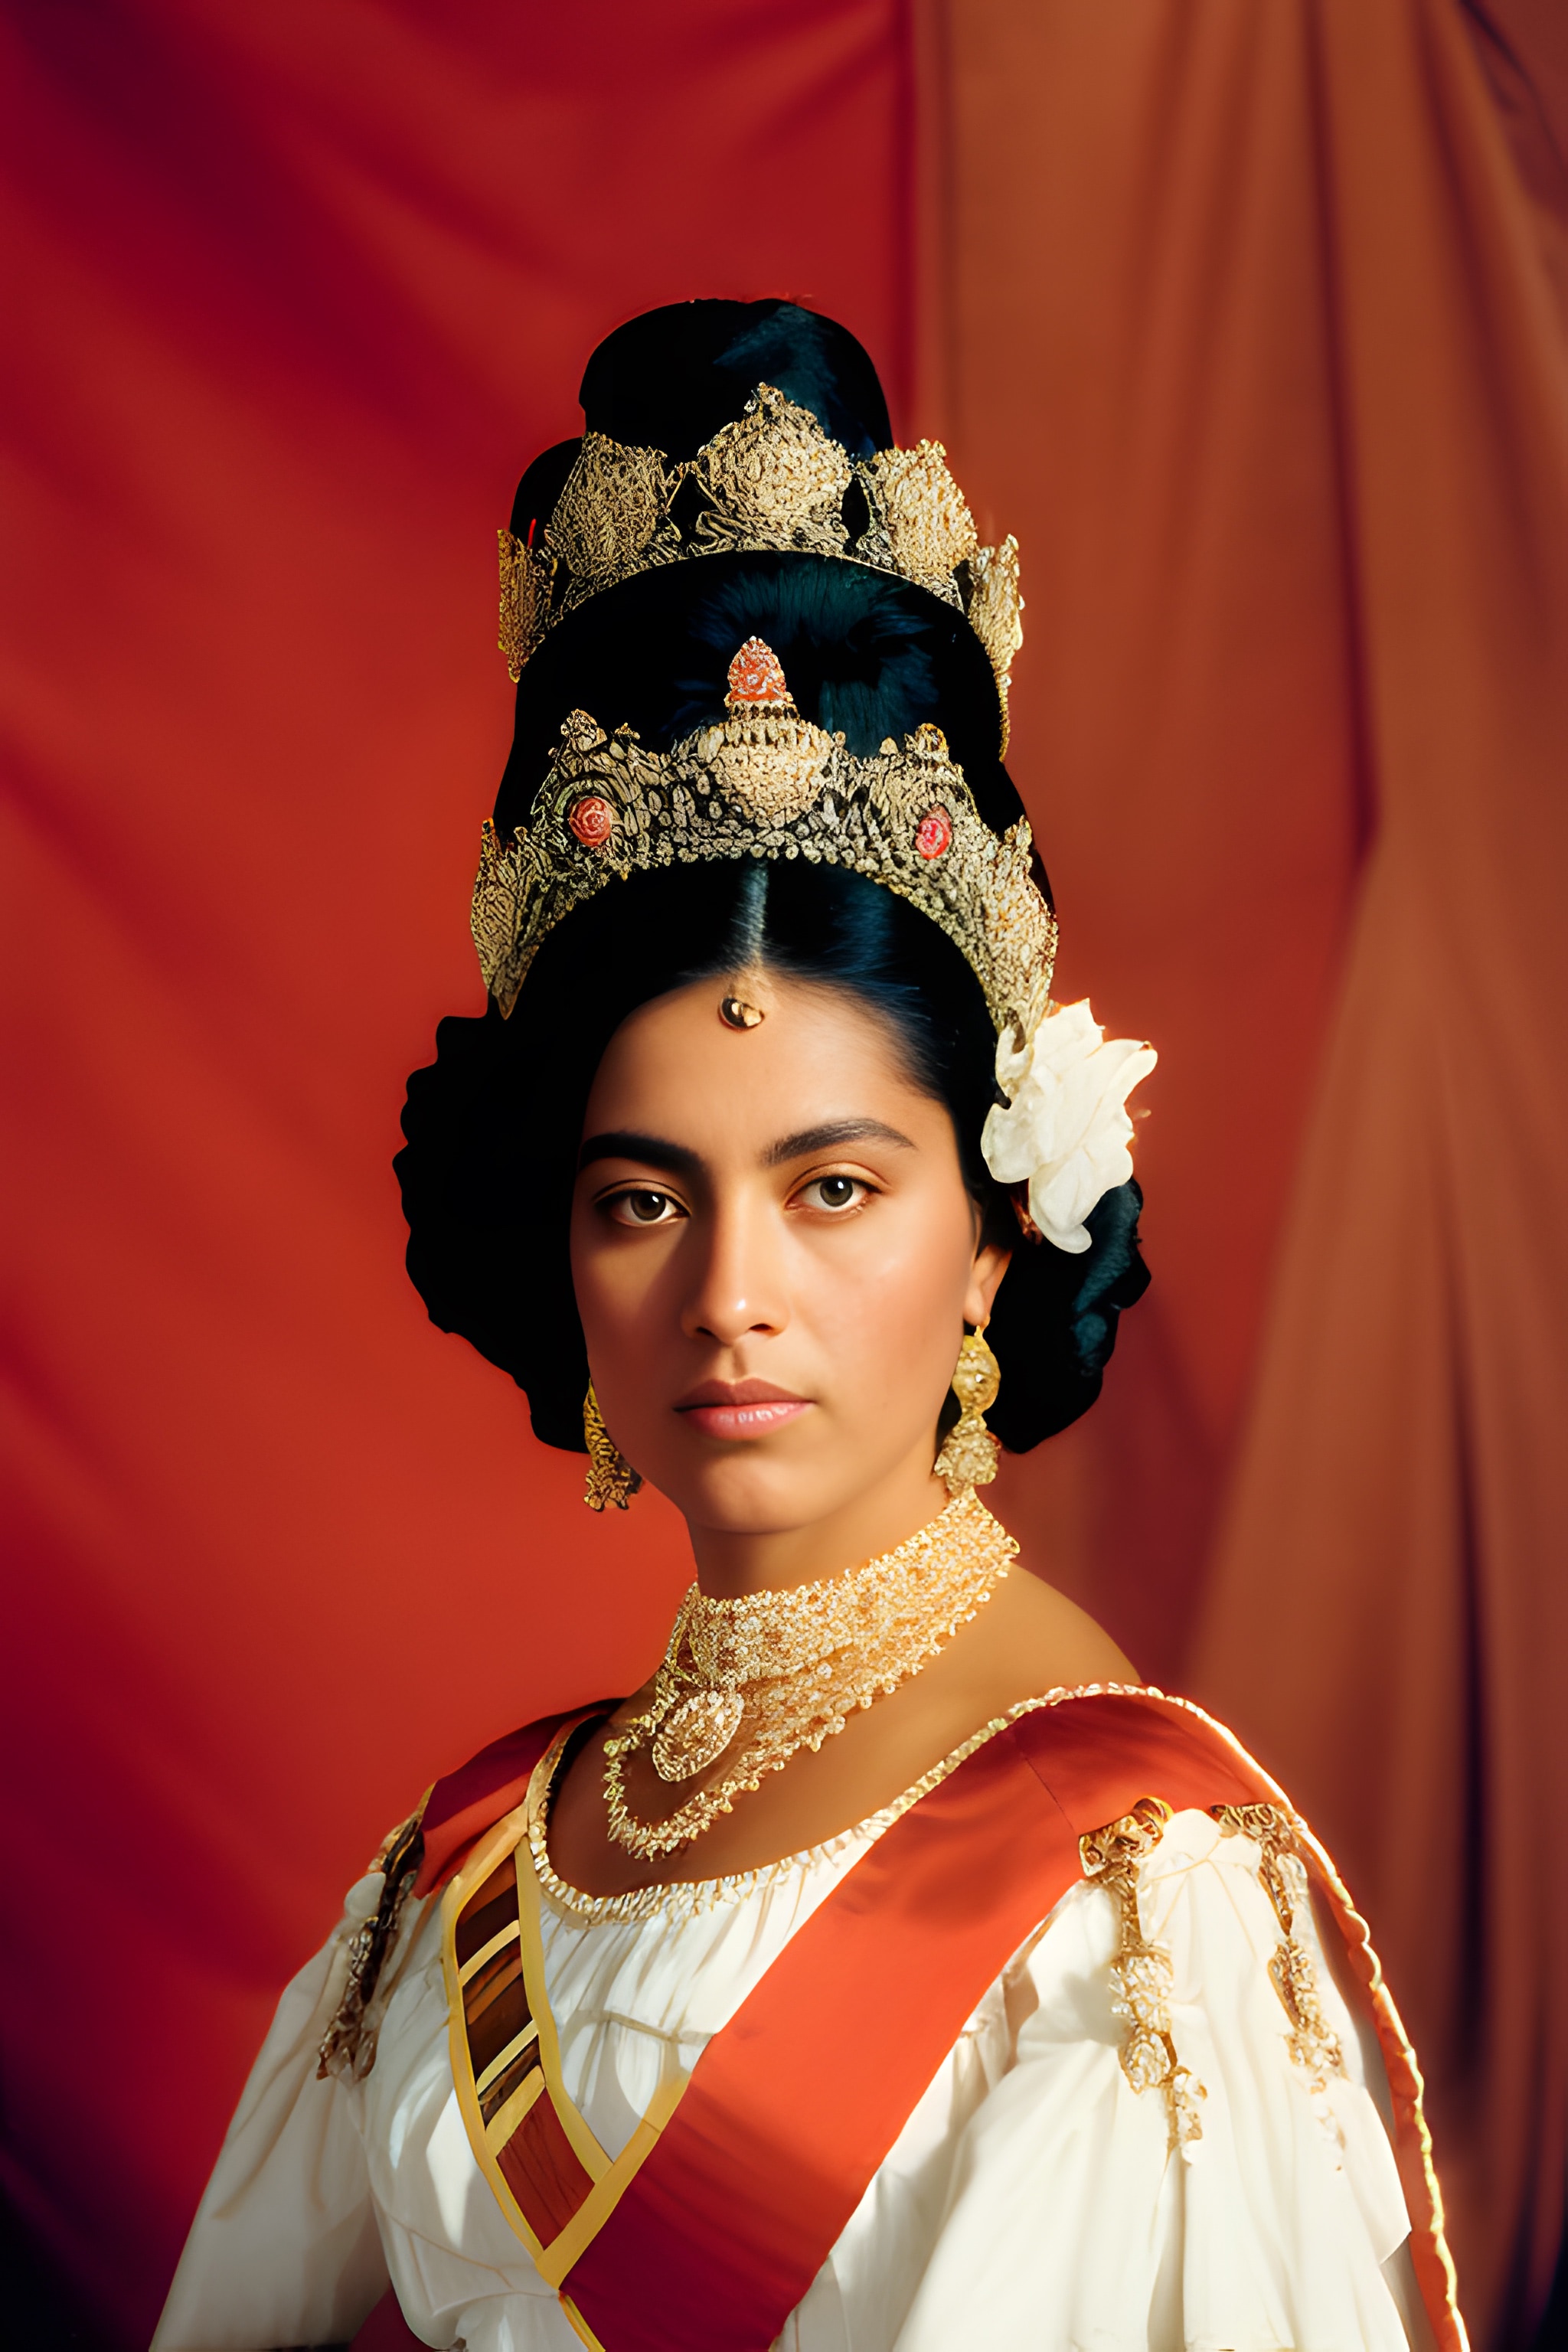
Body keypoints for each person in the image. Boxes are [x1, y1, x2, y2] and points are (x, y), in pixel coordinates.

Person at [154, 301, 1463, 2352]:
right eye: (644, 1197)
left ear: (996, 1236)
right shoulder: (472, 1857)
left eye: (833, 1186)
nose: (730, 1293)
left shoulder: (1128, 1899)